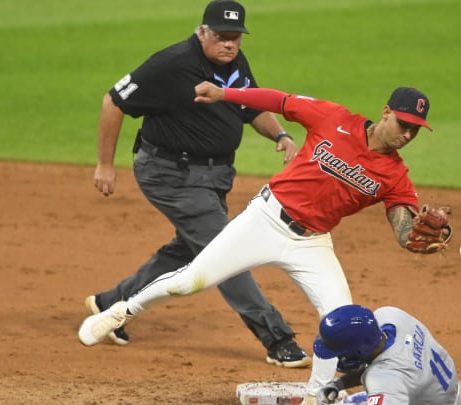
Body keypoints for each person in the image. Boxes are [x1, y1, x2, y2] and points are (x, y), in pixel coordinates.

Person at [78, 81, 453, 394]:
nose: (407, 134)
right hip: (265, 219)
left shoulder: (396, 176)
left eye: (415, 129)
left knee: (337, 322)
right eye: (403, 123)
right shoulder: (335, 118)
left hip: (311, 243)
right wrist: (226, 95)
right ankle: (121, 312)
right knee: (190, 281)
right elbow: (279, 101)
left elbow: (405, 230)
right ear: (386, 112)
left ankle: (316, 396)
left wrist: (425, 231)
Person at [86, 0, 311, 368]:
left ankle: (114, 301)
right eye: (222, 37)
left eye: (235, 37)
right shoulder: (170, 64)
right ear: (202, 31)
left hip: (213, 177)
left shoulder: (235, 62)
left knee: (192, 247)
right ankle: (277, 338)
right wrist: (104, 165)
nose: (229, 44)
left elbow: (251, 106)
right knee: (225, 251)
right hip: (169, 174)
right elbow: (113, 102)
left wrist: (281, 136)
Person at [313, 304, 461, 405]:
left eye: (341, 352)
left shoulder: (383, 380)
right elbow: (386, 367)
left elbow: (387, 375)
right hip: (445, 389)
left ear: (359, 349)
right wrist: (338, 384)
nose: (340, 356)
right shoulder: (390, 315)